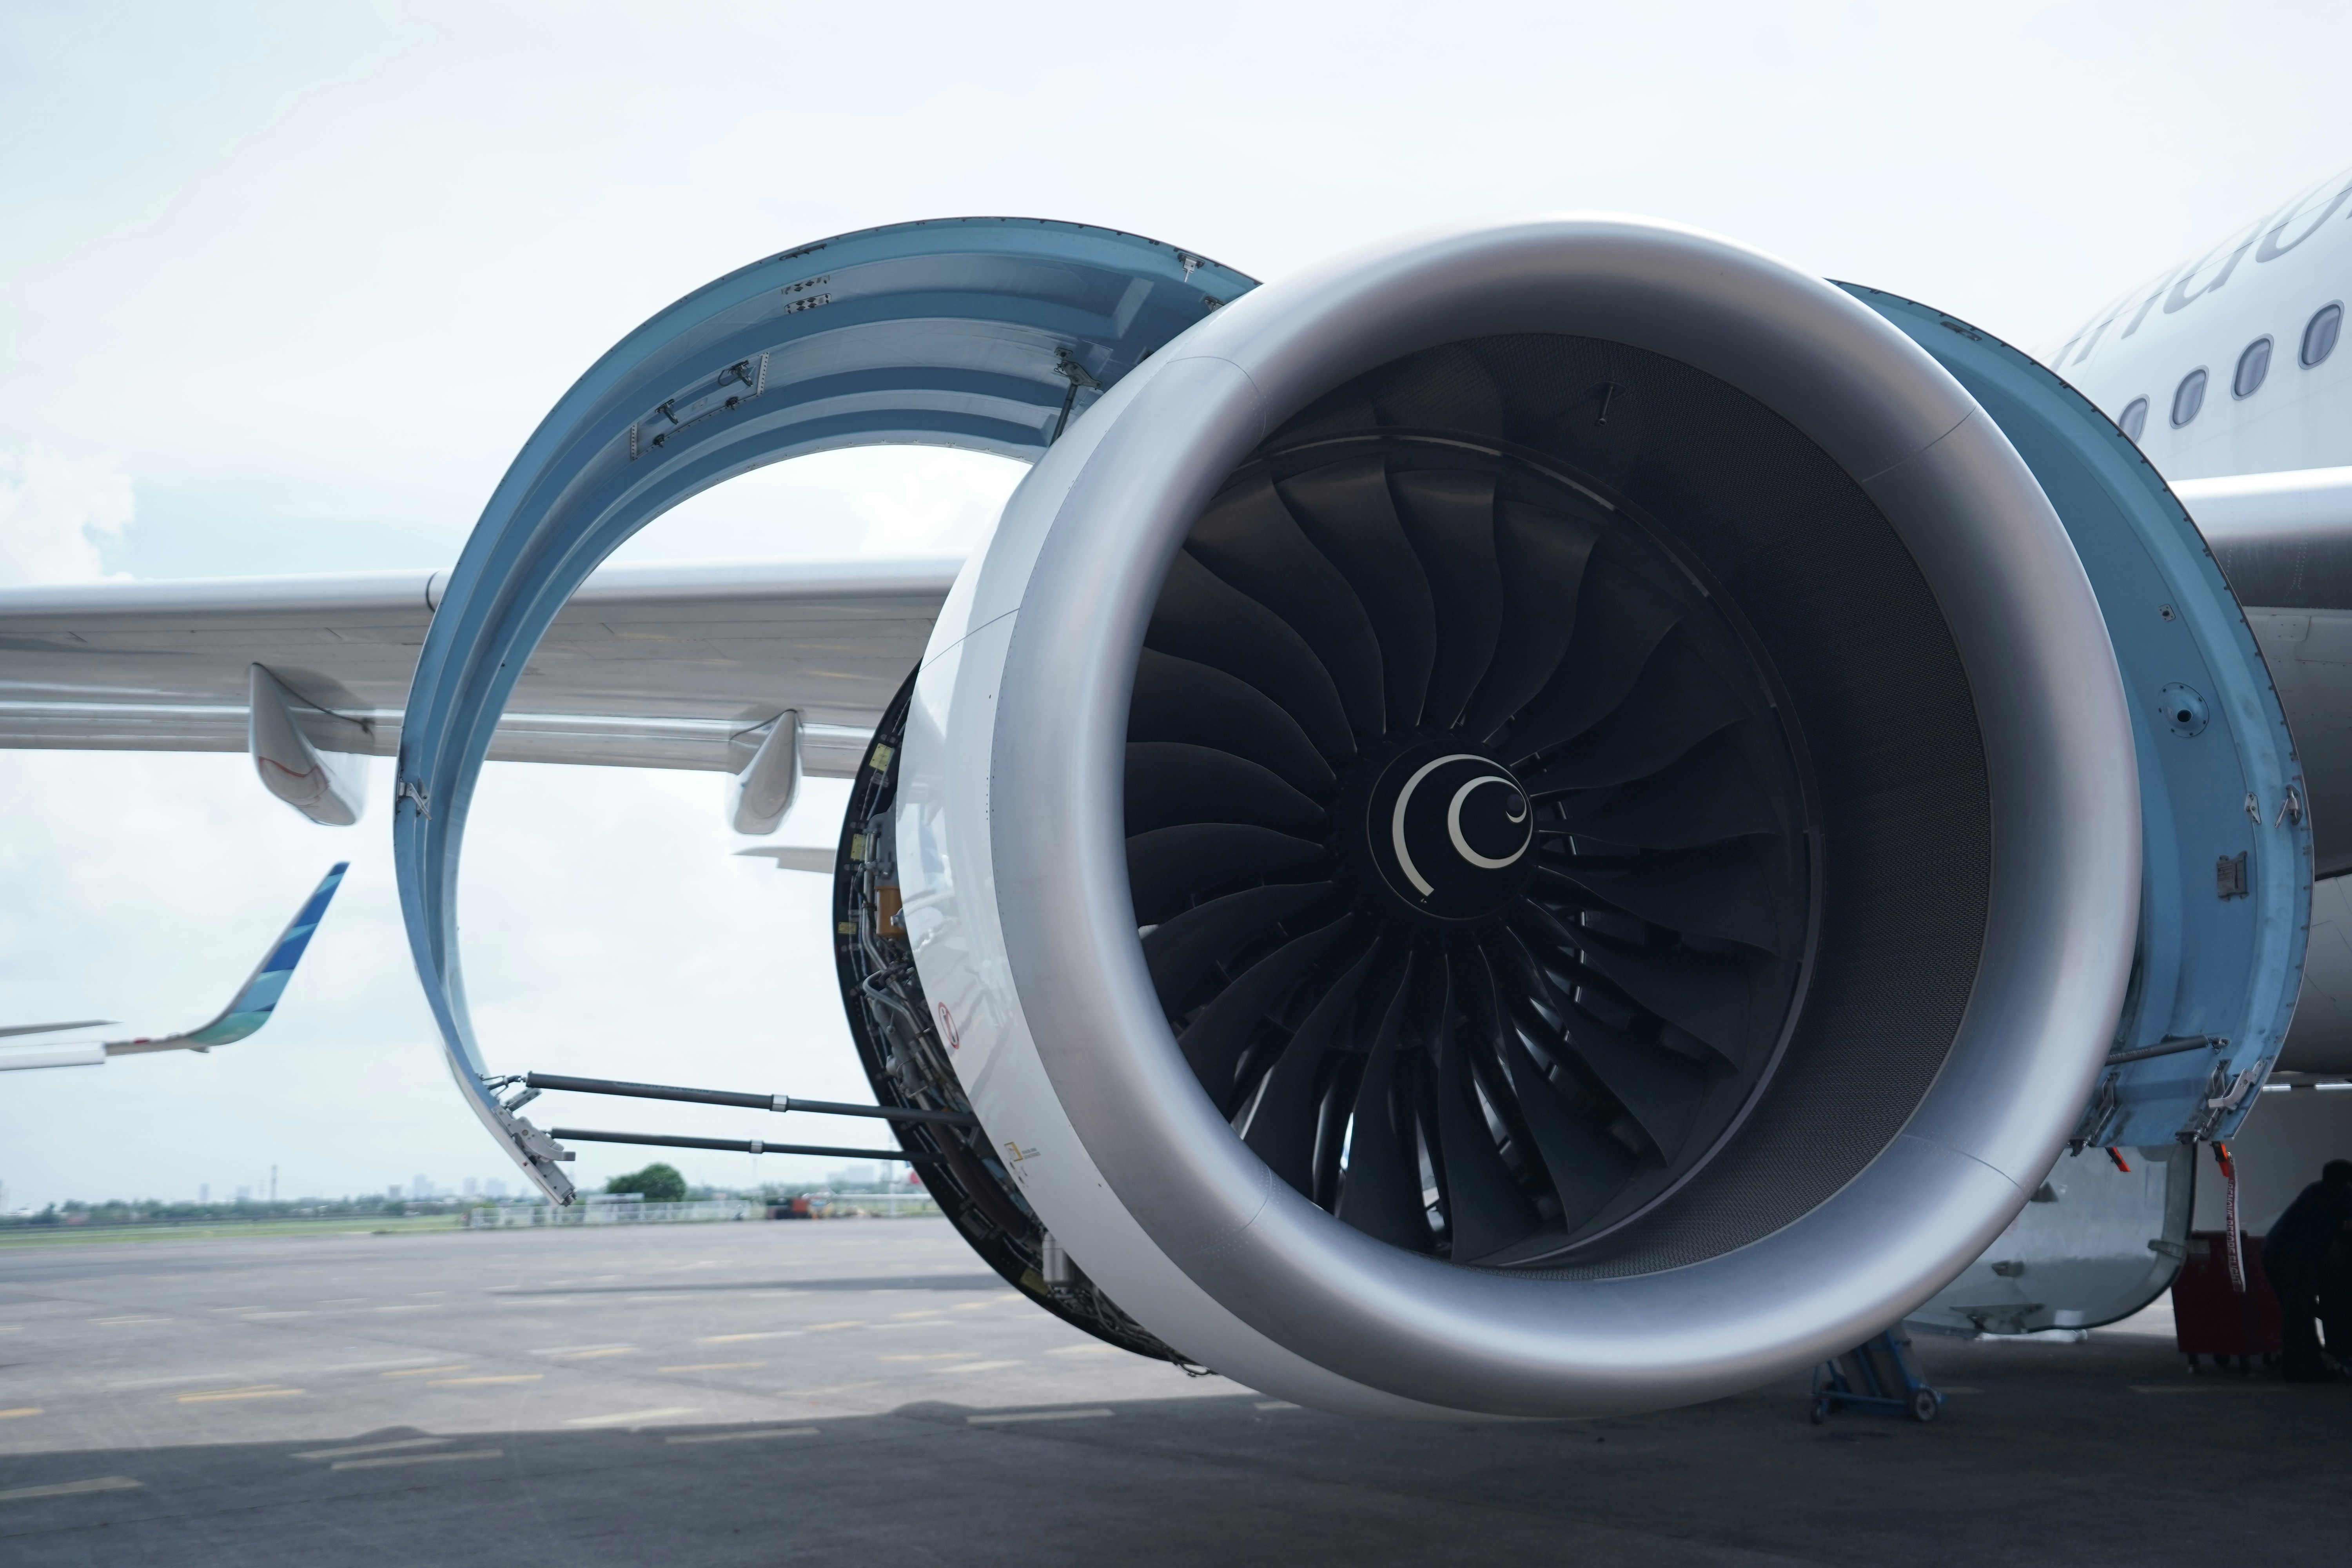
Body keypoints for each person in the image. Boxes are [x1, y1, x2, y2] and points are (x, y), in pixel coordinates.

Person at [2264, 1159, 2352, 1381]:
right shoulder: (2342, 1193)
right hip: (2297, 1256)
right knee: (2299, 1313)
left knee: (2297, 1312)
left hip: (2275, 1251)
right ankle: (2299, 1369)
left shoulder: (2315, 1190)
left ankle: (2306, 1364)